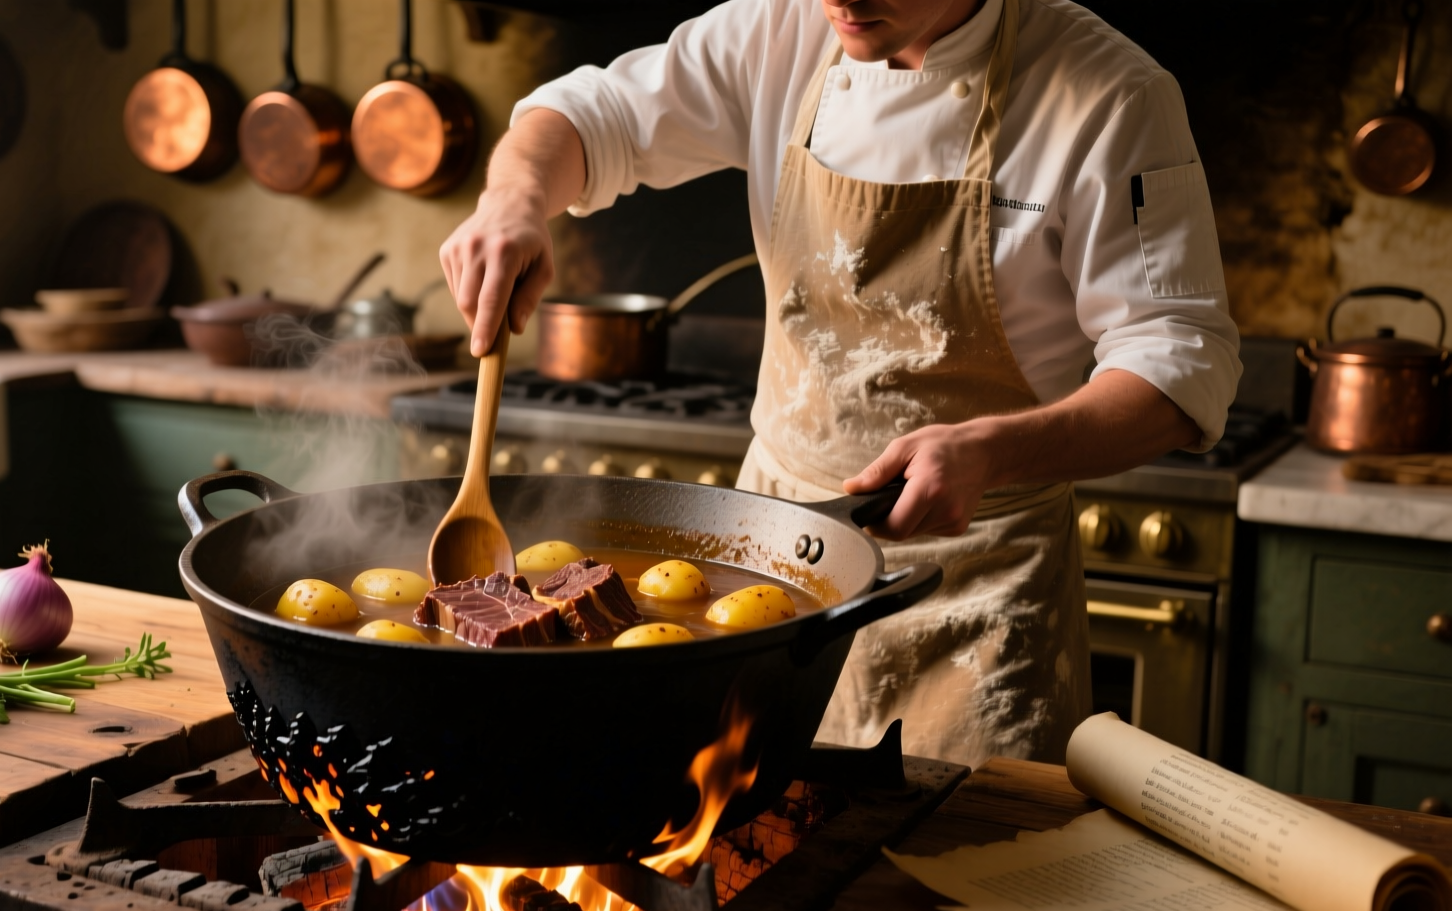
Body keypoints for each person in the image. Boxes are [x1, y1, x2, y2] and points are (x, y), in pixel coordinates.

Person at [438, 0, 1241, 767]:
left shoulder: (1113, 94)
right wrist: (513, 200)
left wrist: (993, 450)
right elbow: (588, 113)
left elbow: (1181, 360)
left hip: (980, 595)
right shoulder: (780, 32)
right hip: (772, 573)